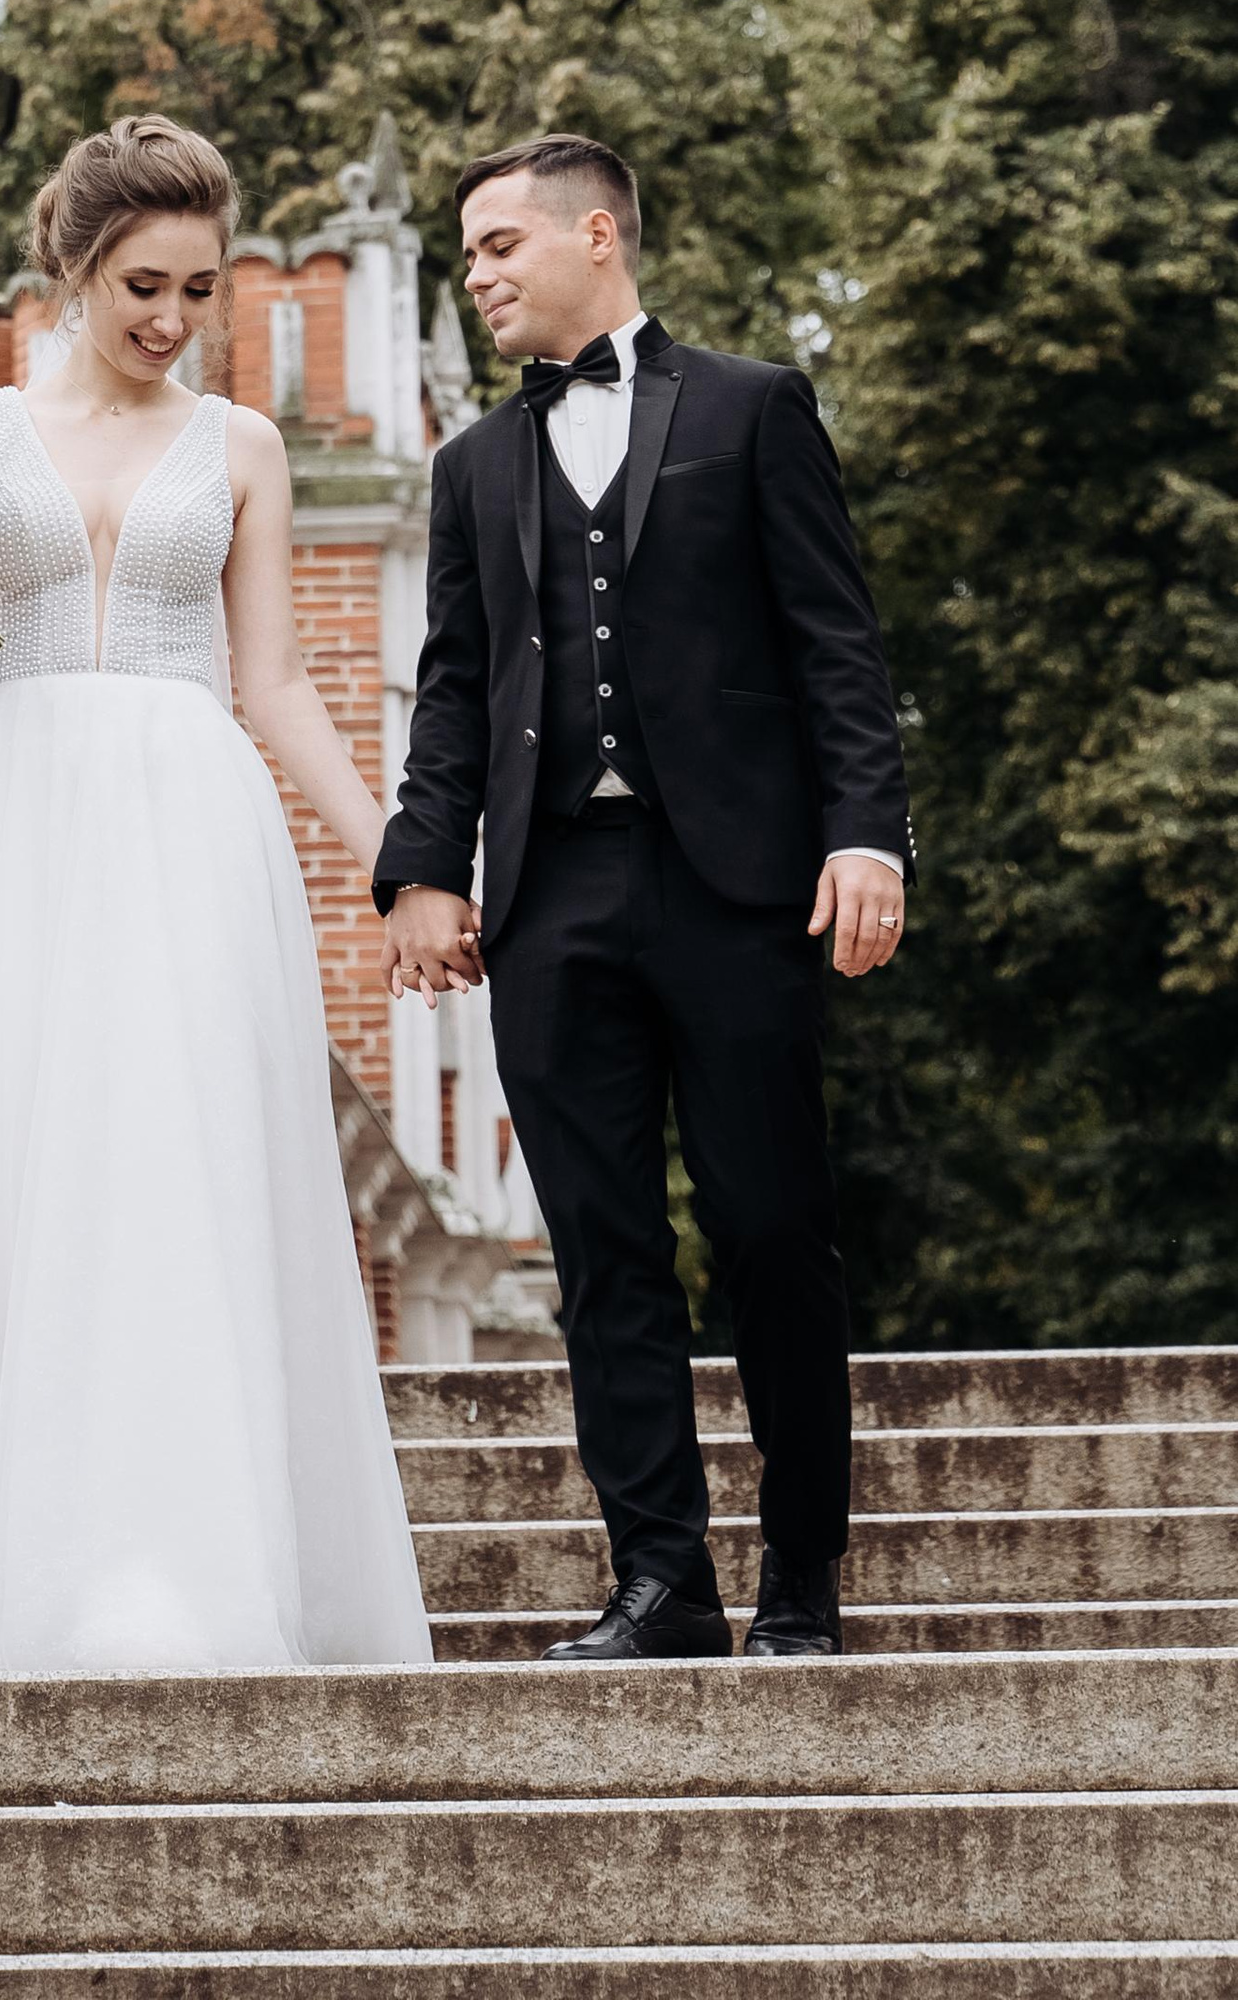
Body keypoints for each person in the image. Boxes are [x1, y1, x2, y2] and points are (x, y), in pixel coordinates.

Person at [0, 113, 431, 1677]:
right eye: (145, 283)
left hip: (190, 819)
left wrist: (397, 856)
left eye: (200, 290)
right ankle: (21, 1573)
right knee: (25, 1163)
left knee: (177, 1162)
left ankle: (188, 1575)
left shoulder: (244, 450)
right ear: (71, 267)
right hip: (21, 823)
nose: (171, 319)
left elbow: (274, 683)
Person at [376, 134, 910, 1664]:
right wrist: (423, 867)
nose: (475, 274)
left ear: (593, 233)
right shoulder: (473, 462)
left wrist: (868, 836)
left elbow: (836, 648)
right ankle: (662, 1583)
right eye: (465, 254)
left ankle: (802, 1582)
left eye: (495, 245)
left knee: (769, 1231)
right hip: (555, 899)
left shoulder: (751, 408)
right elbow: (458, 688)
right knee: (604, 1247)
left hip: (739, 885)